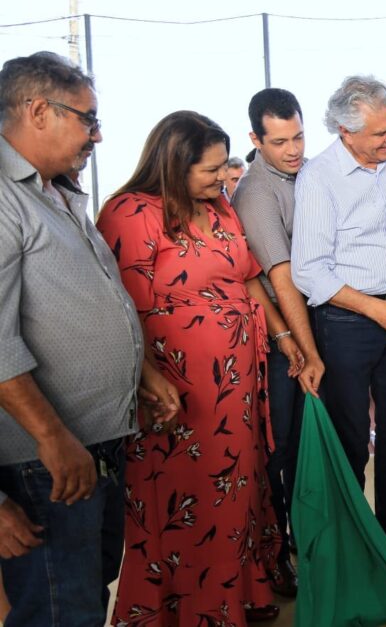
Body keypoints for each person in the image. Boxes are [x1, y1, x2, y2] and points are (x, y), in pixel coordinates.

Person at [98, 110, 302, 624]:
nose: (220, 178)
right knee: (187, 496)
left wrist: (282, 335)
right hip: (176, 389)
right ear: (173, 163)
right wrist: (149, 376)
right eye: (209, 170)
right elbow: (123, 305)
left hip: (238, 384)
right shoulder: (128, 212)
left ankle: (239, 593)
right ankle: (188, 608)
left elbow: (249, 276)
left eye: (220, 169)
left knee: (236, 490)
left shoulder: (219, 207)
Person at [0, 52, 178, 625]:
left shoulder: (56, 191)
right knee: (58, 608)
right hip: (44, 455)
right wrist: (52, 438)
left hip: (95, 441)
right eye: (87, 119)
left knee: (86, 594)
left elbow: (102, 296)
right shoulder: (5, 198)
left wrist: (141, 374)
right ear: (37, 112)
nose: (97, 135)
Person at [291, 75, 386, 573]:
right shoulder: (318, 178)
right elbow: (310, 270)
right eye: (379, 134)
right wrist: (376, 310)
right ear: (344, 131)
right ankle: (351, 544)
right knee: (352, 439)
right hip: (347, 322)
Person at [231, 87, 326, 597]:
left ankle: (315, 541)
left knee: (315, 440)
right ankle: (277, 551)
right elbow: (281, 276)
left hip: (318, 322)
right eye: (280, 140)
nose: (293, 149)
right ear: (255, 139)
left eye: (299, 136)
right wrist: (302, 348)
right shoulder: (253, 192)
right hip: (281, 334)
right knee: (281, 447)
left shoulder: (313, 173)